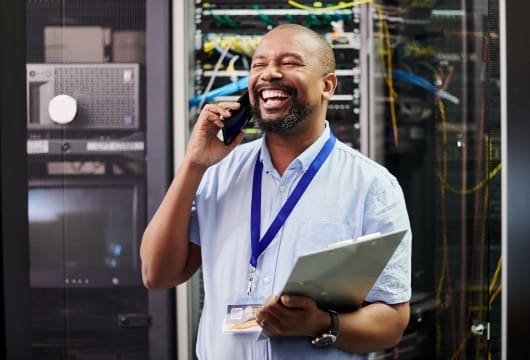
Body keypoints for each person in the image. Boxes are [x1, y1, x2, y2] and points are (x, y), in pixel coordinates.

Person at [140, 23, 412, 359]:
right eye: (259, 65)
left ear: (327, 85)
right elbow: (157, 273)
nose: (269, 74)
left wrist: (320, 323)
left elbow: (393, 322)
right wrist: (193, 164)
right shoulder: (217, 173)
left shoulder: (372, 187)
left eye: (289, 63)